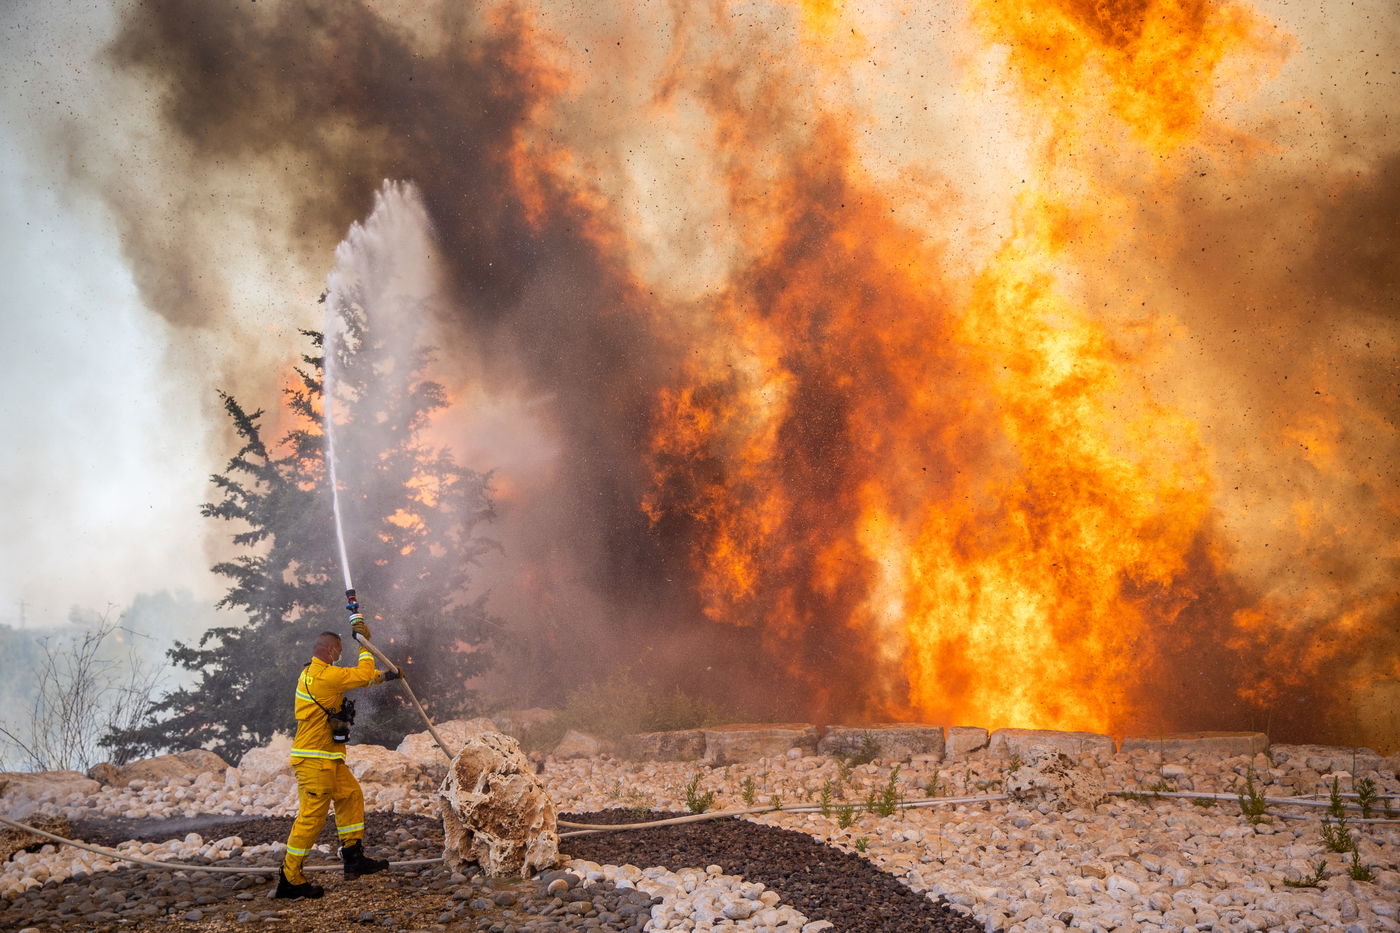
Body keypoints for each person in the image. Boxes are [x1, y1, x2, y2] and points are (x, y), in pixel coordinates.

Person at [275, 616, 402, 899]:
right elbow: (359, 673)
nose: (340, 655)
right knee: (311, 818)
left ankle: (353, 858)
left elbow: (354, 679)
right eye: (340, 650)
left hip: (327, 758)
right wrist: (364, 643)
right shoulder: (324, 676)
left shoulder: (318, 673)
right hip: (313, 761)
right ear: (331, 650)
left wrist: (385, 677)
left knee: (350, 796)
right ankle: (289, 877)